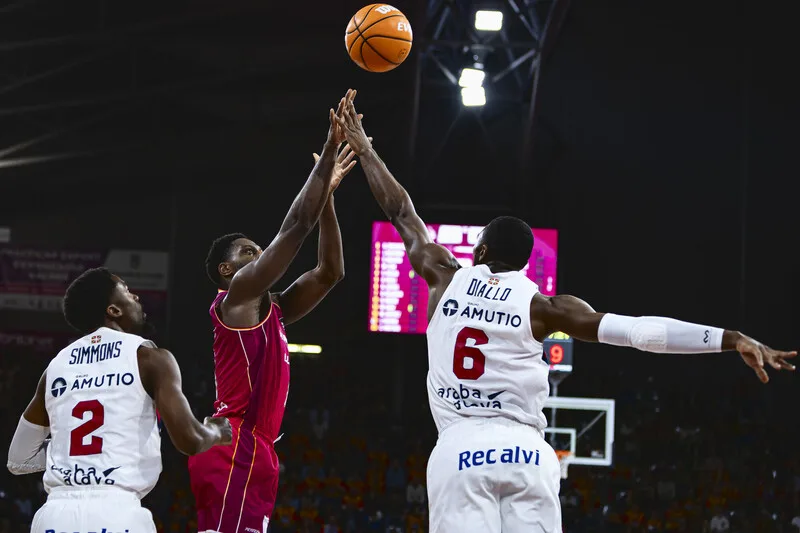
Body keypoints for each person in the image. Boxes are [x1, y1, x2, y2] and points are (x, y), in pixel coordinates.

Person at [333, 93, 797, 533]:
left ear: (480, 250)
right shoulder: (546, 308)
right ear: (525, 264)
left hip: (460, 447)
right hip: (528, 452)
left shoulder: (444, 275)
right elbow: (640, 333)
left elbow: (401, 211)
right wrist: (731, 337)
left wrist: (365, 149)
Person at [188, 91, 357, 533]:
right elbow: (296, 226)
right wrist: (327, 154)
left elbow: (331, 273)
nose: (260, 254)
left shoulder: (273, 308)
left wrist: (328, 200)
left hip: (257, 446)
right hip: (234, 442)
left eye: (259, 249)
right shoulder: (235, 298)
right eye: (248, 251)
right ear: (226, 270)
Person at [7, 267, 232, 532]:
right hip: (117, 512)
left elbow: (18, 459)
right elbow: (191, 439)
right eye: (127, 291)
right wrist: (217, 431)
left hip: (55, 516)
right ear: (113, 310)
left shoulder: (55, 367)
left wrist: (68, 450)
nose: (136, 297)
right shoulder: (149, 358)